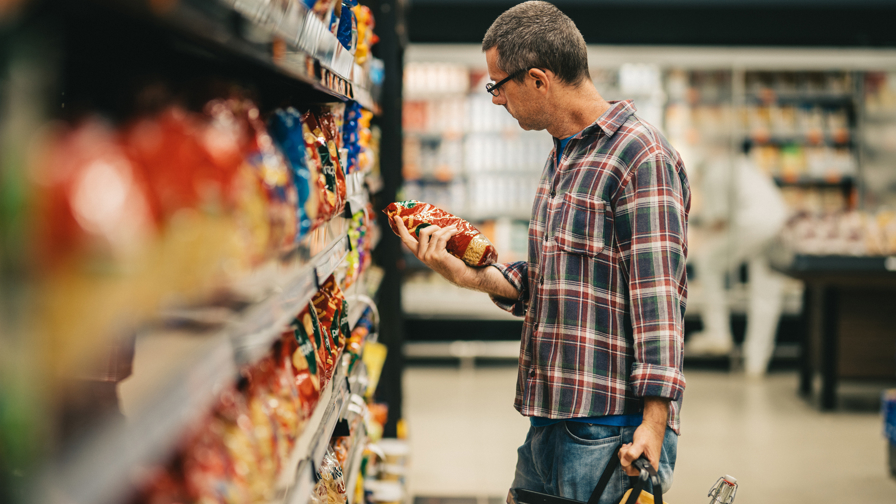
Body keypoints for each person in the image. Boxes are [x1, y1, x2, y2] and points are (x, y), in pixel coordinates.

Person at [391, 2, 690, 503]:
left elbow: (659, 302)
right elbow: (549, 282)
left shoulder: (640, 157)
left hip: (608, 430)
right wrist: (469, 275)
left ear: (537, 80)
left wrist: (655, 423)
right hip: (549, 418)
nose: (494, 100)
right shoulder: (564, 154)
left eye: (497, 86)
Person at [685, 144, 788, 376]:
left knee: (708, 261)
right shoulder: (740, 164)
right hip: (779, 221)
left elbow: (719, 221)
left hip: (752, 222)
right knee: (766, 293)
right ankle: (756, 363)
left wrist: (695, 238)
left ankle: (718, 333)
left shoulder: (712, 173)